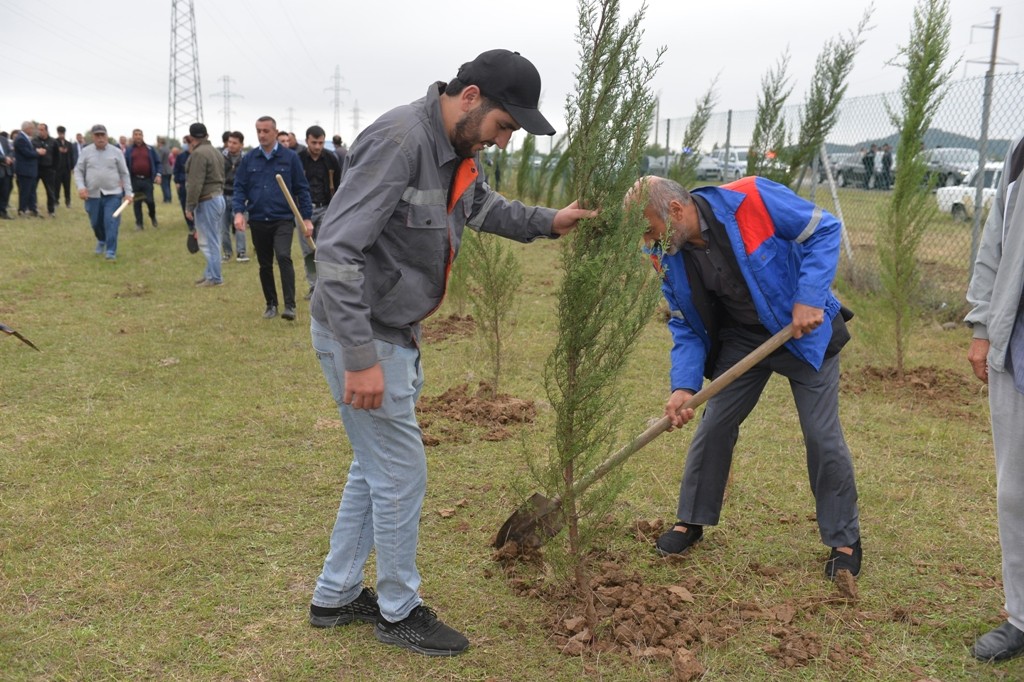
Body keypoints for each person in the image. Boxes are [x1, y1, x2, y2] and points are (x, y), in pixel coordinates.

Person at [307, 49, 592, 657]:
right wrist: (358, 355)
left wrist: (549, 221)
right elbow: (335, 250)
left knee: (373, 467)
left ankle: (334, 595)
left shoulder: (456, 151)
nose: (505, 140)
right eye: (504, 125)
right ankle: (398, 610)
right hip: (365, 332)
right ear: (470, 98)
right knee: (401, 474)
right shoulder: (400, 141)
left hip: (391, 332)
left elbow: (481, 207)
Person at [627, 175, 860, 579]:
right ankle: (691, 520)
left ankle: (844, 538)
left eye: (650, 229)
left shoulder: (750, 198)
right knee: (714, 423)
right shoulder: (664, 251)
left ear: (676, 211)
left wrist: (808, 296)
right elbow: (683, 323)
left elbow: (825, 229)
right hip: (741, 340)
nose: (649, 241)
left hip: (801, 333)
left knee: (821, 434)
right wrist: (684, 386)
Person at [965, 133, 1024, 663]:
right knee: (1015, 491)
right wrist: (983, 325)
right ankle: (1021, 615)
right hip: (1018, 345)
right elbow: (995, 244)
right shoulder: (1020, 152)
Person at [232, 116, 313, 321]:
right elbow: (240, 187)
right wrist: (239, 212)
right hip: (259, 219)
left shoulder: (290, 158)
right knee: (264, 263)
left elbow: (302, 189)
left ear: (275, 132)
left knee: (284, 256)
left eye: (266, 131)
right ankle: (271, 304)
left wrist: (307, 218)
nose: (261, 134)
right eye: (258, 130)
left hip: (283, 218)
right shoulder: (249, 159)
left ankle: (290, 306)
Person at [74, 124, 133, 260]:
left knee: (110, 221)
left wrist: (128, 193)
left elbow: (124, 173)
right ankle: (102, 239)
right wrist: (81, 187)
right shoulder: (86, 151)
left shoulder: (116, 152)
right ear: (93, 137)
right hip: (92, 194)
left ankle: (111, 251)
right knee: (95, 222)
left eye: (103, 135)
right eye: (97, 135)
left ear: (107, 136)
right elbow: (78, 170)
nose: (100, 138)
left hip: (113, 193)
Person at [297, 125, 341, 300]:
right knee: (308, 250)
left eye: (321, 142)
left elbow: (338, 184)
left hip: (326, 208)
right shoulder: (298, 159)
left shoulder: (331, 159)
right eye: (314, 142)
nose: (317, 146)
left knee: (323, 248)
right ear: (307, 140)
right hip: (302, 211)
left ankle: (325, 285)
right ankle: (313, 286)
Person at [184, 123, 226, 287]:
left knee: (209, 241)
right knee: (213, 238)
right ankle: (210, 273)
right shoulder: (215, 151)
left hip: (207, 199)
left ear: (192, 137)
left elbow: (195, 183)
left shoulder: (199, 154)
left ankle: (215, 277)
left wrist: (189, 205)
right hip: (217, 197)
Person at [124, 129, 161, 230]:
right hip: (135, 180)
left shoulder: (150, 149)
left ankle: (152, 216)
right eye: (135, 135)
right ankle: (139, 224)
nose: (138, 136)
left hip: (147, 180)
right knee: (137, 202)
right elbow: (125, 165)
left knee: (150, 201)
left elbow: (158, 162)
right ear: (133, 136)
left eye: (139, 134)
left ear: (142, 136)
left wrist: (158, 175)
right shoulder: (129, 150)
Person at [220, 131, 248, 262]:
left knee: (240, 225)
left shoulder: (246, 159)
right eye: (229, 142)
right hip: (222, 195)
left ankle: (241, 253)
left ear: (241, 145)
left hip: (240, 196)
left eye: (234, 143)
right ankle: (227, 252)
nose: (231, 145)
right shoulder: (220, 157)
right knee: (223, 227)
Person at [14, 121, 40, 217]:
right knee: (25, 191)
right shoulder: (21, 139)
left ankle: (33, 209)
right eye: (32, 128)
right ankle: (22, 210)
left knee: (32, 191)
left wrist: (35, 151)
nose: (33, 130)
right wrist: (38, 153)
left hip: (31, 170)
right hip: (24, 170)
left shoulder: (26, 138)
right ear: (27, 128)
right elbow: (27, 153)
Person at [34, 123, 59, 217]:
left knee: (50, 191)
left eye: (42, 130)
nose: (40, 132)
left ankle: (51, 210)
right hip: (36, 168)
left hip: (48, 169)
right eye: (38, 130)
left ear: (46, 130)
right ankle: (33, 208)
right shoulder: (34, 141)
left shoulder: (53, 142)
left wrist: (54, 168)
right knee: (33, 189)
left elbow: (57, 157)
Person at [173, 137, 195, 233]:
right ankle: (190, 225)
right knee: (184, 204)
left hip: (195, 184)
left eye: (186, 142)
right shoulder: (180, 156)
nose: (184, 144)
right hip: (183, 184)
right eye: (184, 142)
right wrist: (177, 182)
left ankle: (197, 223)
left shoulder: (198, 155)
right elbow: (176, 170)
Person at [53, 126, 79, 208]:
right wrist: (59, 150)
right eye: (60, 133)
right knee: (56, 186)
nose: (61, 135)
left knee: (67, 186)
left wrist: (72, 167)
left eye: (63, 133)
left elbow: (72, 156)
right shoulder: (54, 142)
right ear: (58, 133)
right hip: (57, 169)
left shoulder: (69, 144)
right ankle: (56, 201)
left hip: (67, 169)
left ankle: (68, 202)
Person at [0, 132, 13, 219]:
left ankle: (3, 211)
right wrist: (4, 158)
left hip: (6, 170)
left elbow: (10, 151)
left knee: (5, 191)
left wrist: (9, 157)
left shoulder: (4, 140)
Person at [157, 137, 173, 203]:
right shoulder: (167, 149)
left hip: (163, 169)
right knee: (168, 185)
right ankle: (169, 198)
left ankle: (166, 199)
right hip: (169, 168)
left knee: (164, 185)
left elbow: (159, 159)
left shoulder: (161, 149)